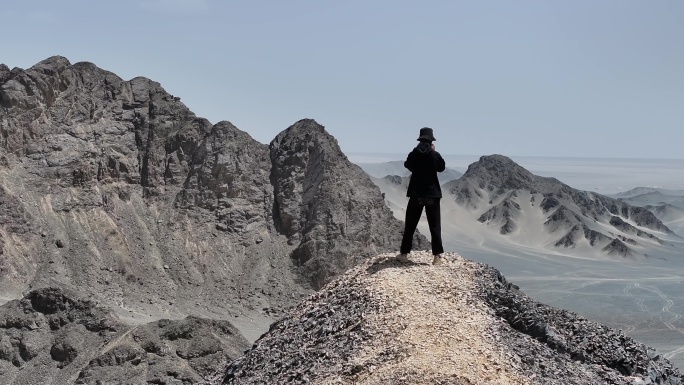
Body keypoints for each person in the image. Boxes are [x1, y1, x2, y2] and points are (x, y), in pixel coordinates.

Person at [397, 127, 446, 265]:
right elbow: (441, 168)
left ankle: (404, 254)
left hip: (416, 193)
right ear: (431, 141)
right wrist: (434, 152)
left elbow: (408, 165)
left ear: (419, 139)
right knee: (435, 226)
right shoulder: (434, 154)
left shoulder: (414, 153)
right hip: (432, 194)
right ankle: (437, 257)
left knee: (410, 225)